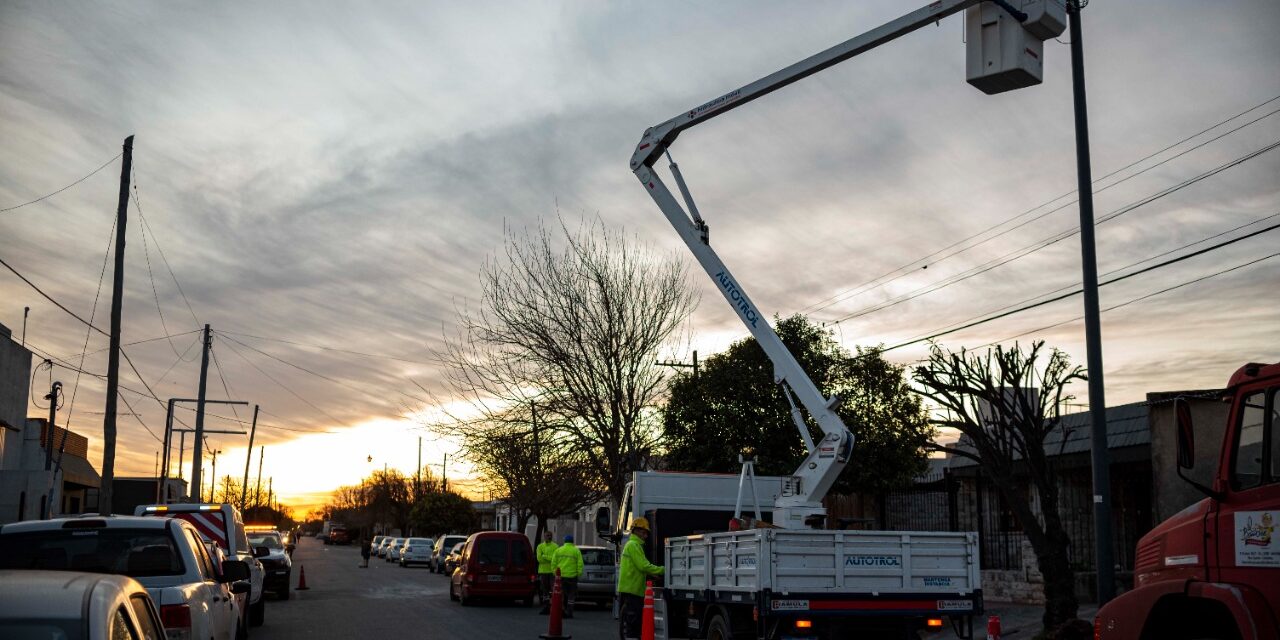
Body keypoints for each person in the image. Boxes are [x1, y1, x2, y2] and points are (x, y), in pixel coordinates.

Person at [617, 517, 663, 640]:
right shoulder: (634, 545)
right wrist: (663, 569)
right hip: (633, 589)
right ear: (636, 531)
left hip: (631, 588)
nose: (646, 536)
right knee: (634, 623)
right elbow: (643, 566)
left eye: (646, 533)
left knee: (633, 621)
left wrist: (652, 574)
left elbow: (637, 567)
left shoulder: (632, 545)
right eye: (644, 532)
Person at [552, 534, 584, 618]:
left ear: (564, 541)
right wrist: (579, 573)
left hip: (561, 576)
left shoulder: (558, 550)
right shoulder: (576, 551)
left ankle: (561, 611)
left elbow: (553, 563)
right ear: (572, 541)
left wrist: (555, 574)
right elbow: (580, 563)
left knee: (561, 594)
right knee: (571, 595)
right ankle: (569, 612)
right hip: (572, 576)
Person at [536, 529, 559, 614]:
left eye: (550, 535)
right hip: (543, 571)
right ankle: (546, 605)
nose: (549, 537)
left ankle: (553, 604)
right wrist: (550, 558)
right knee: (544, 589)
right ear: (544, 536)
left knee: (553, 589)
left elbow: (555, 559)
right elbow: (539, 559)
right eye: (547, 535)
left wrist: (544, 556)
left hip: (552, 571)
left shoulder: (556, 546)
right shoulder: (540, 546)